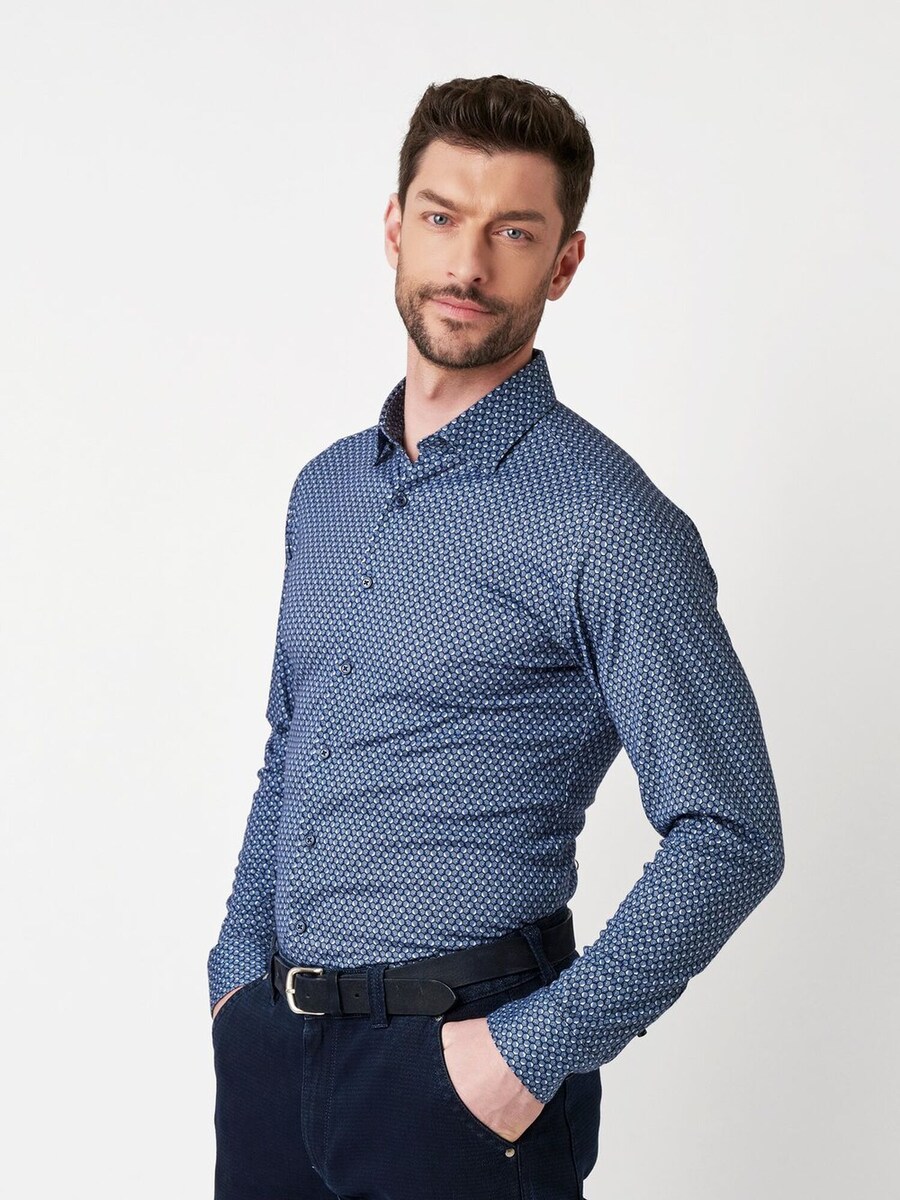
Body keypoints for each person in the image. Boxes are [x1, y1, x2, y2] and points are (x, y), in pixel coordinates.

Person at [206, 74, 785, 1200]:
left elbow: (732, 832)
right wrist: (235, 982)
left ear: (563, 264)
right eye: (443, 217)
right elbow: (292, 746)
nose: (468, 265)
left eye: (513, 232)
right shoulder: (324, 492)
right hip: (273, 1056)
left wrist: (525, 1056)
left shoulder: (609, 523)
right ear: (395, 227)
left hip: (464, 1080)